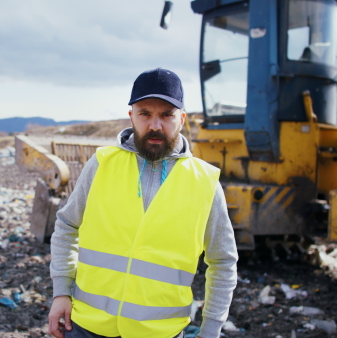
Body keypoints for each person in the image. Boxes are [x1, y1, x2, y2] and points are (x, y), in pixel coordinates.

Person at [48, 68, 238, 338]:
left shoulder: (205, 182)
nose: (155, 125)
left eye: (166, 115)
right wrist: (61, 293)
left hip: (160, 333)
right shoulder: (102, 164)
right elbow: (67, 225)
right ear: (132, 117)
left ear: (182, 119)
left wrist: (211, 329)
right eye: (145, 114)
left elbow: (223, 262)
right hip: (85, 326)